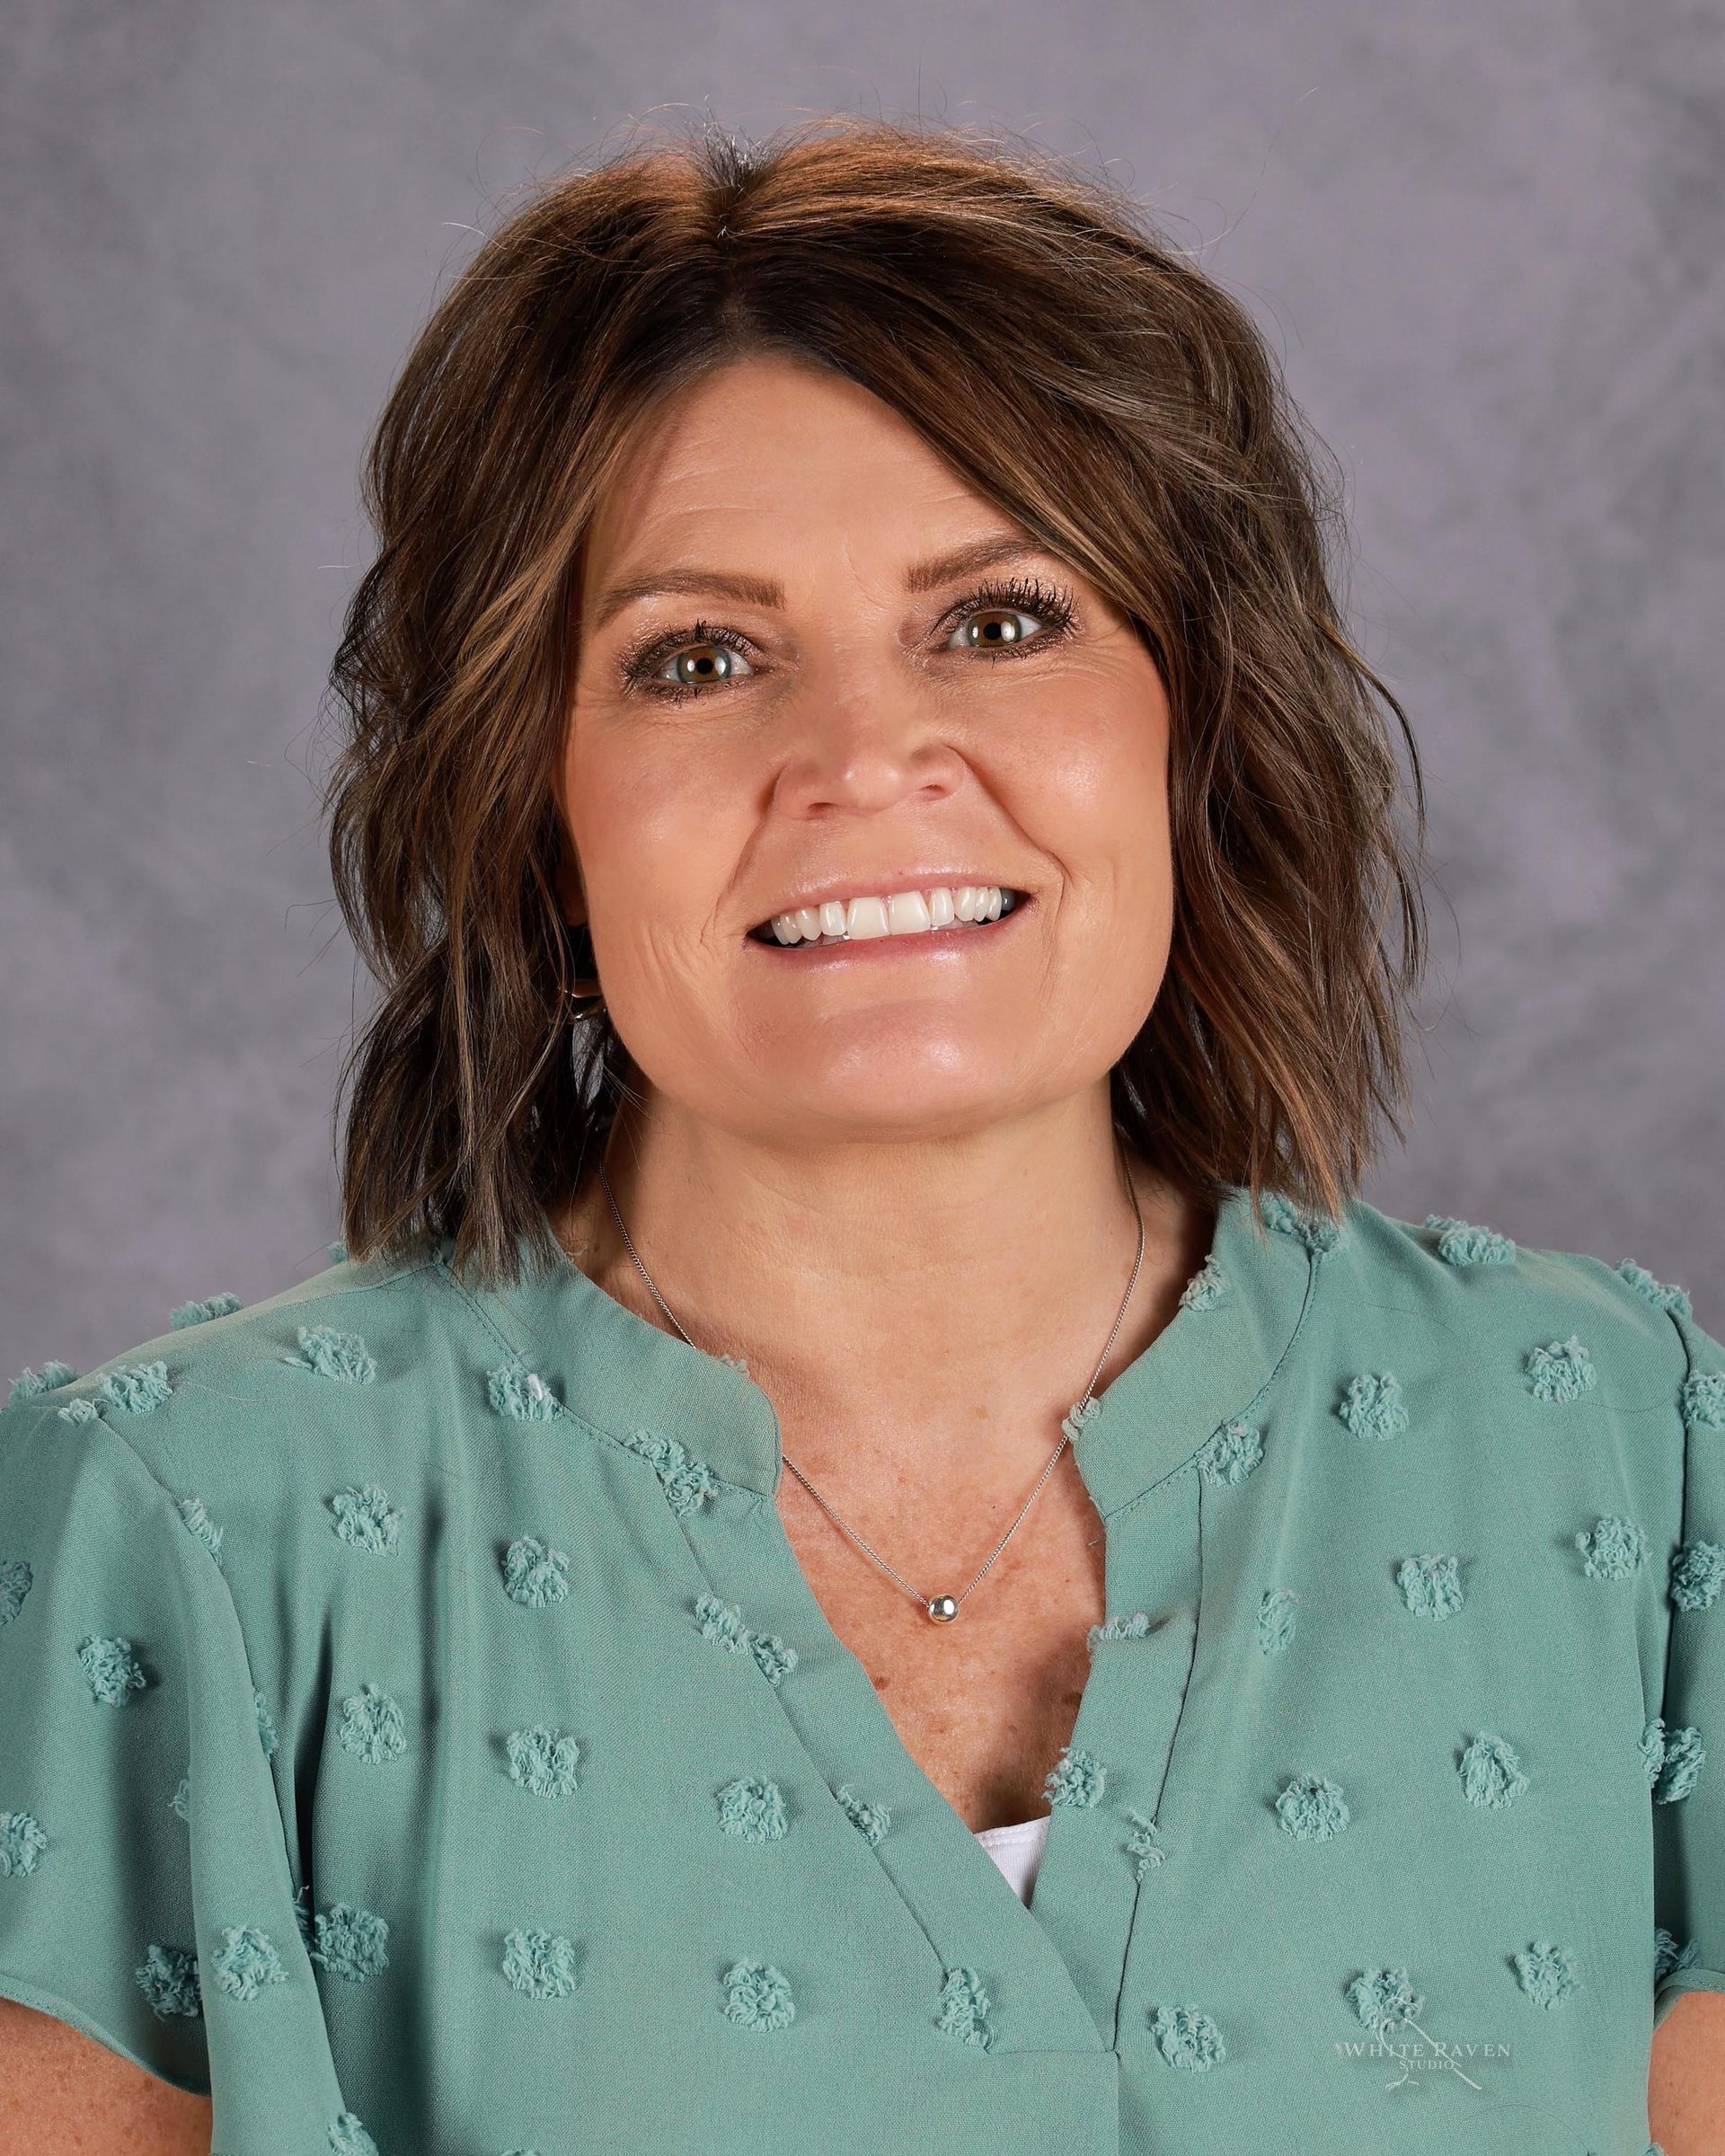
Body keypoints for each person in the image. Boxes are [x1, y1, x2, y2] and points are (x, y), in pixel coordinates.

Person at [1, 114, 1719, 2156]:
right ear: (532, 801)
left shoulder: (1621, 1453)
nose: (865, 759)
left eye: (998, 620)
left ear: (1195, 721)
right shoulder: (191, 1522)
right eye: (698, 657)